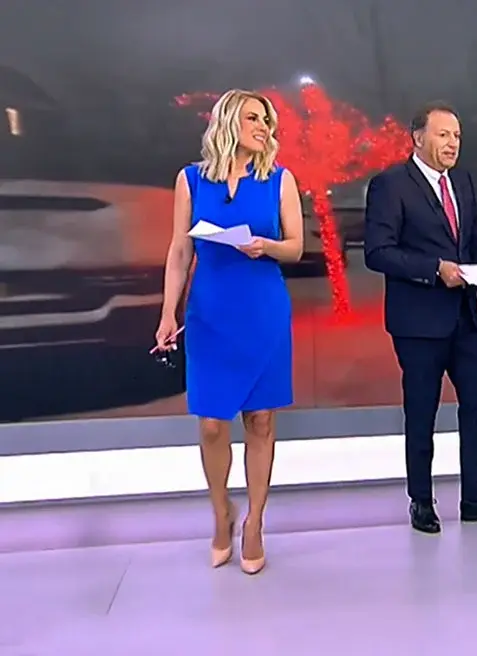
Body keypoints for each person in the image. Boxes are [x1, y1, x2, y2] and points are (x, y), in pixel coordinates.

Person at [155, 89, 304, 573]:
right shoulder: (191, 179)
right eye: (254, 118)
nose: (264, 127)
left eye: (267, 121)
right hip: (210, 313)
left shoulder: (279, 179)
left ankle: (255, 522)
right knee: (212, 423)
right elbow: (180, 251)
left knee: (260, 419)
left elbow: (296, 247)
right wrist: (168, 313)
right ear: (227, 123)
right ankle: (221, 510)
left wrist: (266, 246)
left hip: (262, 310)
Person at [364, 101, 477, 534]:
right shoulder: (391, 185)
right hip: (418, 322)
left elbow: (475, 249)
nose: (453, 143)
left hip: (463, 318)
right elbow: (377, 253)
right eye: (443, 135)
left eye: (457, 136)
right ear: (418, 138)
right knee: (422, 411)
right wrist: (434, 269)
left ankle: (475, 496)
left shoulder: (463, 183)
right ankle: (421, 500)